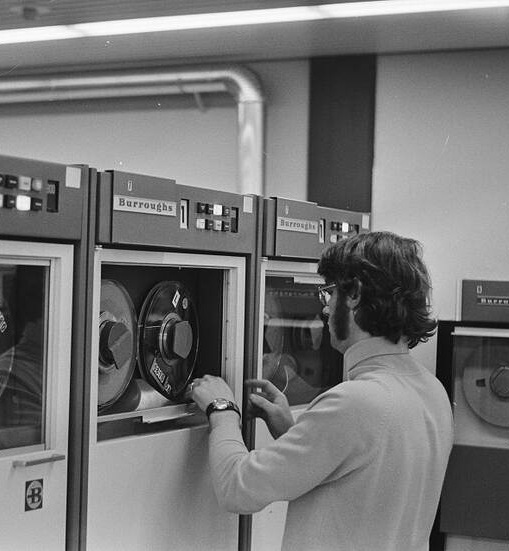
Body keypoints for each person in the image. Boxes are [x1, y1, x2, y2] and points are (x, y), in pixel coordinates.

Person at [188, 231, 453, 551]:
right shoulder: (431, 390)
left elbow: (237, 488)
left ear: (354, 293)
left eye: (329, 293)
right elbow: (365, 475)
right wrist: (292, 431)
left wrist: (222, 409)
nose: (325, 310)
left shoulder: (356, 402)